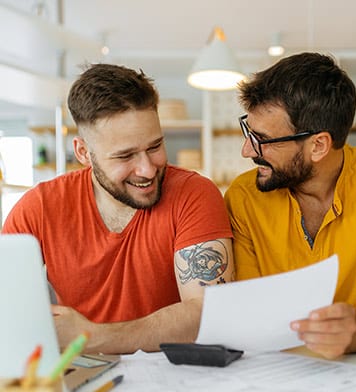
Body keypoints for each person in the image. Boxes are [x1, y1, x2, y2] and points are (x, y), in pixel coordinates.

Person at [2, 63, 234, 354]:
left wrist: (92, 336)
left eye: (155, 146)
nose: (147, 170)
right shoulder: (38, 208)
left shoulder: (194, 194)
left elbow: (208, 314)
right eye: (125, 156)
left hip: (177, 377)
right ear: (84, 152)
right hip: (81, 374)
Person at [224, 52, 356, 359]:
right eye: (248, 131)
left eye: (262, 138)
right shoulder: (243, 197)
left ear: (318, 145)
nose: (247, 150)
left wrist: (352, 331)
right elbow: (247, 310)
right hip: (268, 369)